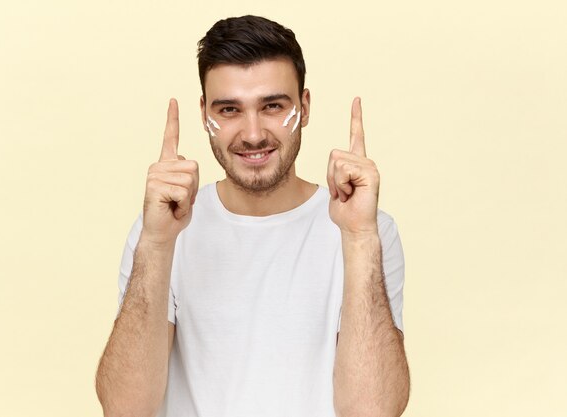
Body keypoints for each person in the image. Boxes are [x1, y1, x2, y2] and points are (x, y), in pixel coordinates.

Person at [96, 15, 410, 417]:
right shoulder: (163, 232)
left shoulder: (368, 231)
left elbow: (373, 411)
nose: (253, 133)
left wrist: (360, 237)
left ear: (305, 106)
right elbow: (124, 409)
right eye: (229, 110)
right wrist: (157, 244)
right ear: (204, 113)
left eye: (273, 106)